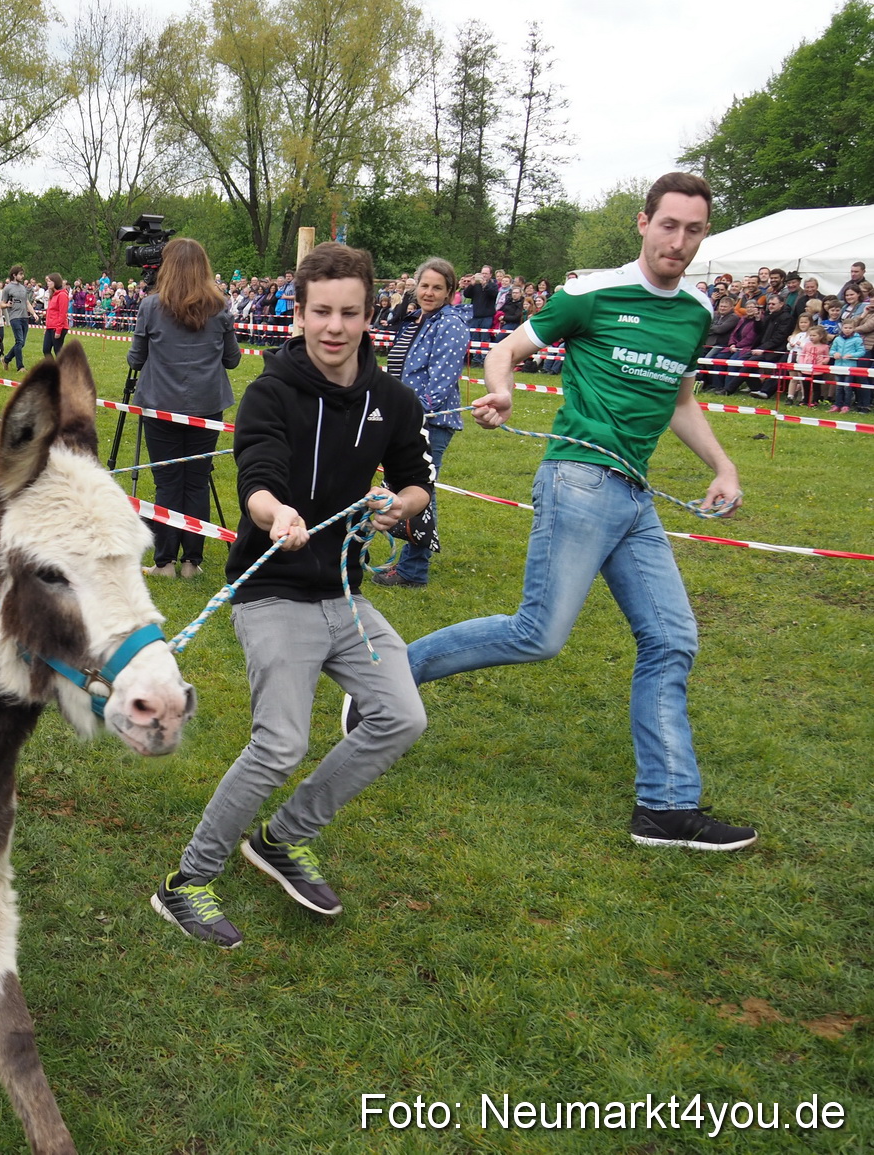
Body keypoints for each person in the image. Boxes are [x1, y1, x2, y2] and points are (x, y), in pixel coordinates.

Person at [394, 172, 757, 853]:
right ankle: (394, 677)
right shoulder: (593, 293)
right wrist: (500, 392)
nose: (679, 241)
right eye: (669, 224)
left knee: (672, 638)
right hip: (579, 480)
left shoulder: (696, 312)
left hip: (634, 496)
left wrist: (724, 465)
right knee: (539, 633)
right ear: (644, 222)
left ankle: (666, 807)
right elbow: (506, 349)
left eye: (693, 230)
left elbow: (679, 402)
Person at [150, 242, 432, 949]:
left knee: (401, 716)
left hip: (344, 597)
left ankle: (285, 835)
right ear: (297, 314)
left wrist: (403, 505)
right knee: (280, 744)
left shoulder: (391, 400)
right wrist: (276, 515)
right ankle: (186, 882)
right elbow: (257, 476)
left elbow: (414, 474)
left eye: (350, 313)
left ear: (371, 318)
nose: (334, 327)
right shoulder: (270, 393)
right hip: (272, 590)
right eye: (321, 312)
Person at [125, 238, 241, 580]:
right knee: (196, 481)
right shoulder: (219, 306)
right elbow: (232, 359)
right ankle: (191, 561)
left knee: (168, 483)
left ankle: (166, 562)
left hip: (161, 406)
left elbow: (136, 358)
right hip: (207, 407)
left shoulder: (150, 306)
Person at [374, 257, 469, 589]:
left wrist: (411, 417)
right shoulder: (416, 319)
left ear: (450, 292)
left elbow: (439, 385)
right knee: (404, 489)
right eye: (425, 285)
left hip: (429, 422)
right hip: (405, 419)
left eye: (437, 288)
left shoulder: (450, 325)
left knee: (420, 491)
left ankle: (413, 570)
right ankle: (407, 564)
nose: (429, 292)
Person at [0, 266, 33, 371]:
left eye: (23, 274)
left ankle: (6, 359)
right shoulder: (8, 288)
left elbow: (27, 302)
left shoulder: (23, 288)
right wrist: (7, 305)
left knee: (22, 343)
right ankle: (20, 367)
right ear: (14, 275)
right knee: (19, 341)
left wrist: (34, 313)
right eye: (20, 274)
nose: (22, 276)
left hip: (24, 317)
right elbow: (1, 304)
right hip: (15, 317)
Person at [42, 274, 69, 358]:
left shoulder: (62, 295)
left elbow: (62, 314)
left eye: (50, 281)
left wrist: (58, 330)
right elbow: (50, 312)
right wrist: (47, 327)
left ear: (55, 282)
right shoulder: (53, 295)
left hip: (58, 327)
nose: (48, 283)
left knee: (58, 351)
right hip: (50, 327)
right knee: (46, 349)